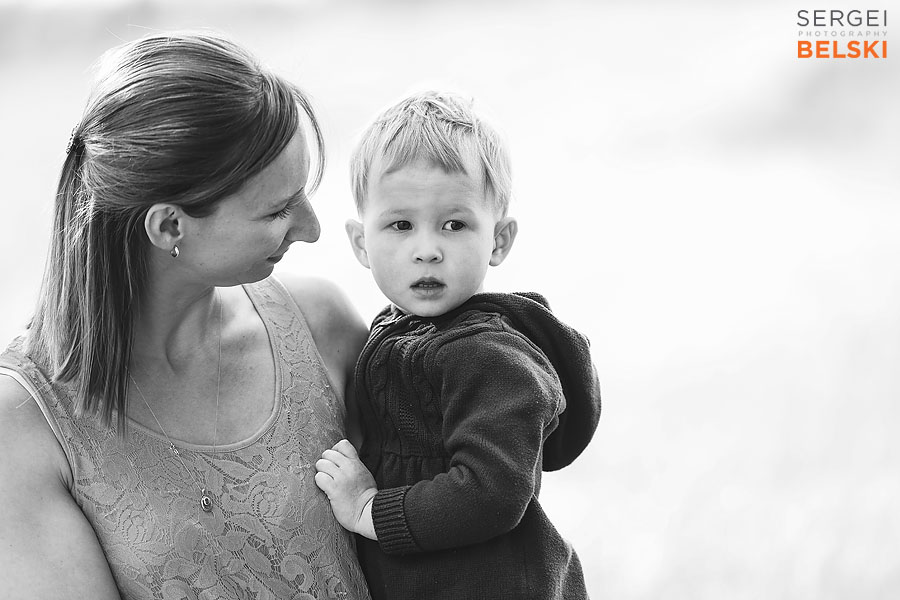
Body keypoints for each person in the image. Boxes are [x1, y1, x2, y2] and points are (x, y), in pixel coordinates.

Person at [0, 31, 372, 599]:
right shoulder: (24, 424)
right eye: (277, 211)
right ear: (170, 226)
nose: (311, 228)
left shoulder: (322, 325)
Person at [313, 91, 602, 599]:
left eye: (454, 224)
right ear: (361, 243)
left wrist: (370, 510)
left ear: (499, 240)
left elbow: (494, 490)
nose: (427, 250)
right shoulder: (398, 330)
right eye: (401, 225)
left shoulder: (488, 356)